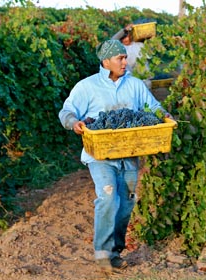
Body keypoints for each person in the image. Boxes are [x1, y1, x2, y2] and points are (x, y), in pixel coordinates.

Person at [58, 39, 169, 274]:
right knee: (108, 196)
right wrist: (74, 123)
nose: (125, 62)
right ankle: (101, 253)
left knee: (126, 202)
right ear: (106, 61)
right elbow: (67, 111)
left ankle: (115, 253)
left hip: (129, 153)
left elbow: (152, 107)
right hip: (99, 154)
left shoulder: (135, 85)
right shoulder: (87, 87)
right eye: (120, 58)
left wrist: (165, 115)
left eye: (125, 57)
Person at [112, 24, 152, 88]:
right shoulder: (120, 48)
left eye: (126, 37)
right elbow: (112, 41)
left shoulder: (140, 45)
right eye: (122, 37)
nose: (125, 39)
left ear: (130, 35)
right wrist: (124, 30)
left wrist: (150, 41)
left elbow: (149, 54)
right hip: (129, 81)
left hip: (144, 80)